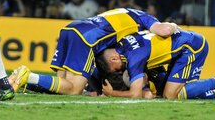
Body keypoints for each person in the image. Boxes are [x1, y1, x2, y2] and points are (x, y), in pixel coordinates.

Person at [10, 8, 179, 95]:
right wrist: (173, 25)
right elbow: (163, 30)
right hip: (87, 38)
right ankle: (28, 76)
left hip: (70, 29)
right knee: (74, 89)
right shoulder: (145, 18)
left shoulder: (123, 12)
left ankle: (17, 80)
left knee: (62, 87)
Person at [96, 31, 215, 102]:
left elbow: (138, 94)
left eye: (116, 70)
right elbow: (146, 93)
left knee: (173, 95)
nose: (120, 72)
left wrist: (112, 93)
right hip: (177, 51)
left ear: (114, 59)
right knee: (189, 94)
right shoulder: (122, 44)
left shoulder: (133, 58)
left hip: (191, 48)